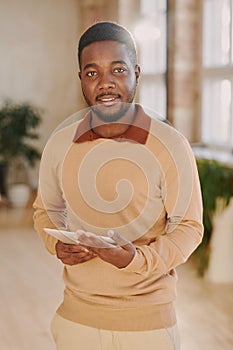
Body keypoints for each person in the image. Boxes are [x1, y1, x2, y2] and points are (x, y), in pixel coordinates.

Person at [33, 21, 203, 350]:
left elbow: (189, 227)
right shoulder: (60, 143)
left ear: (136, 73)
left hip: (148, 325)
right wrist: (56, 245)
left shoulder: (170, 144)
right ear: (81, 79)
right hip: (75, 320)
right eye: (92, 72)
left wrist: (134, 259)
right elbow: (46, 211)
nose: (106, 83)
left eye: (118, 69)